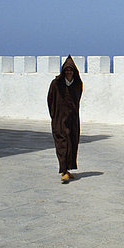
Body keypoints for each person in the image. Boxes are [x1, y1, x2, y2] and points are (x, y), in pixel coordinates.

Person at [47, 55, 83, 184]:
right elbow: (50, 99)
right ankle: (63, 171)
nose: (69, 72)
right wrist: (55, 115)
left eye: (71, 70)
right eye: (66, 70)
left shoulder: (77, 84)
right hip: (59, 119)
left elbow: (77, 99)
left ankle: (67, 169)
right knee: (62, 143)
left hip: (73, 119)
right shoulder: (56, 84)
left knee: (72, 142)